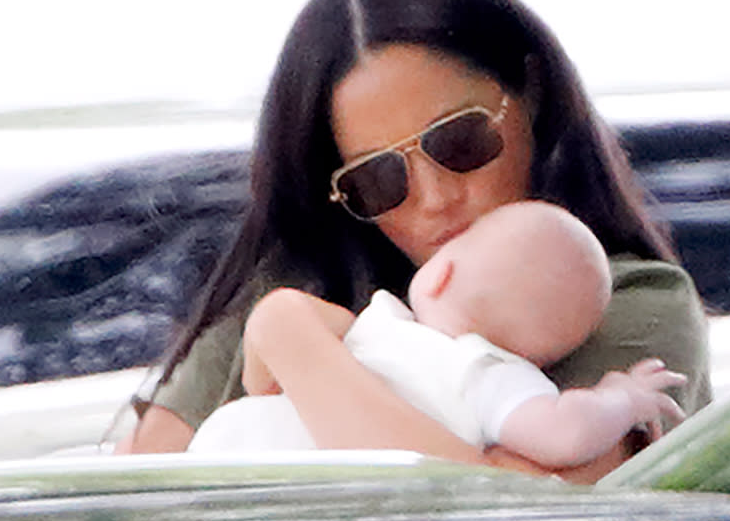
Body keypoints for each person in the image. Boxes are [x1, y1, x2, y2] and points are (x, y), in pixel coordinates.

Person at [117, 0, 712, 481]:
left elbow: (509, 515)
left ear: (529, 93)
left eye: (460, 141)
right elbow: (135, 501)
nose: (434, 197)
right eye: (378, 180)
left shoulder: (620, 301)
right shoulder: (294, 283)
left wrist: (295, 343)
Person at [188, 201, 688, 469]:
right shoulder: (491, 375)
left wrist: (282, 333)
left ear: (441, 271)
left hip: (230, 450)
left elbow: (265, 376)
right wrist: (618, 399)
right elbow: (564, 432)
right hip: (304, 487)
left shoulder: (402, 333)